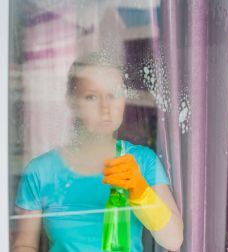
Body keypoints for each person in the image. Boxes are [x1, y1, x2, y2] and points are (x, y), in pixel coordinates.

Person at [12, 52, 183, 252]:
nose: (106, 108)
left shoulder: (142, 161)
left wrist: (141, 191)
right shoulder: (40, 171)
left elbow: (173, 240)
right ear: (72, 102)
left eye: (114, 94)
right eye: (91, 96)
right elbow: (24, 245)